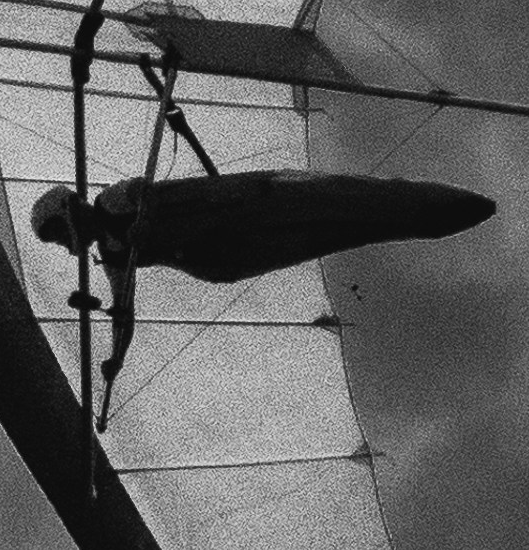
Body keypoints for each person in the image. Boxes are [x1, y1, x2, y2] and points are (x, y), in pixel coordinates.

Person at [30, 166, 496, 414]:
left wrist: (142, 225)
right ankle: (416, 222)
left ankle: (423, 206)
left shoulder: (113, 199)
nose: (65, 245)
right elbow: (124, 311)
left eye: (57, 235)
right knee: (332, 232)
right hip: (228, 250)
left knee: (335, 200)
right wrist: (116, 358)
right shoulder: (112, 255)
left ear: (67, 214)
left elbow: (147, 195)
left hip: (241, 205)